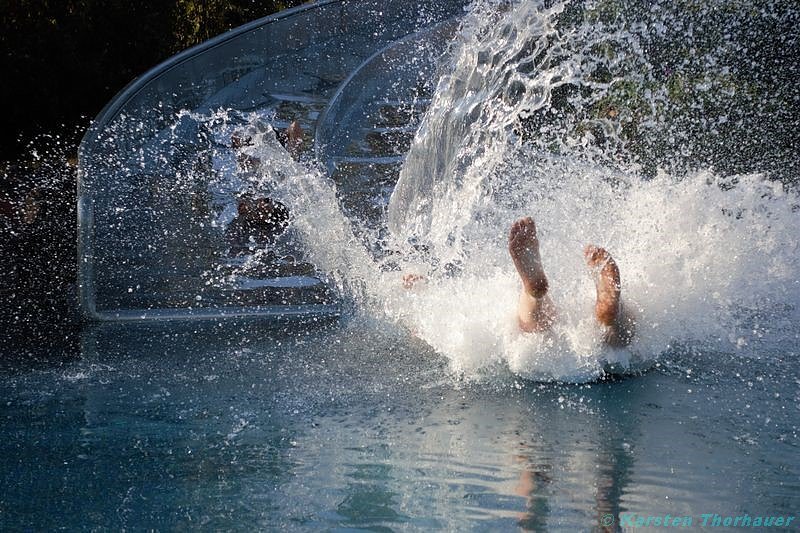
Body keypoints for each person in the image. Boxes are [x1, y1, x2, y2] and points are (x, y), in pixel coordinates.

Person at [508, 216, 635, 346]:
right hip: (603, 350)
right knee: (619, 335)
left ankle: (533, 294)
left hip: (544, 353)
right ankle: (612, 316)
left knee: (534, 328)